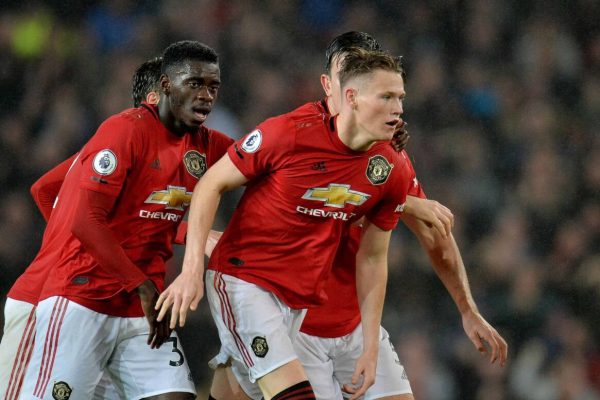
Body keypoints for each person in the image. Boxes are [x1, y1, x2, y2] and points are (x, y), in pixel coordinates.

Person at [156, 48, 415, 400]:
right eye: (386, 97)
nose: (398, 108)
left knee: (238, 391)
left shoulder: (391, 168)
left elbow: (371, 260)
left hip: (296, 302)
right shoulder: (289, 134)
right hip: (243, 281)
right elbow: (210, 184)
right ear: (351, 97)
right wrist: (189, 271)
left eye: (400, 97)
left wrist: (370, 347)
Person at [291, 32, 508, 400]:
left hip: (354, 325)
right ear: (331, 84)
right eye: (349, 75)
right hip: (292, 323)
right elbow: (303, 202)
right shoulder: (297, 134)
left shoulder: (388, 155)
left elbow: (433, 232)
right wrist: (406, 202)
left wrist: (467, 309)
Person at [17, 40, 233, 400]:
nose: (206, 96)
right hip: (82, 298)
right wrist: (136, 281)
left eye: (213, 87)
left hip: (141, 311)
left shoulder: (208, 144)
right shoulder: (124, 131)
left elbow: (264, 163)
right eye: (195, 84)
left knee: (176, 395)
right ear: (164, 87)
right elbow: (82, 216)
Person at [0, 56, 163, 400]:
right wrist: (72, 244)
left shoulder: (122, 154)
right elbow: (44, 192)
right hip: (42, 299)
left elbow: (43, 189)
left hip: (87, 306)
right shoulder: (118, 151)